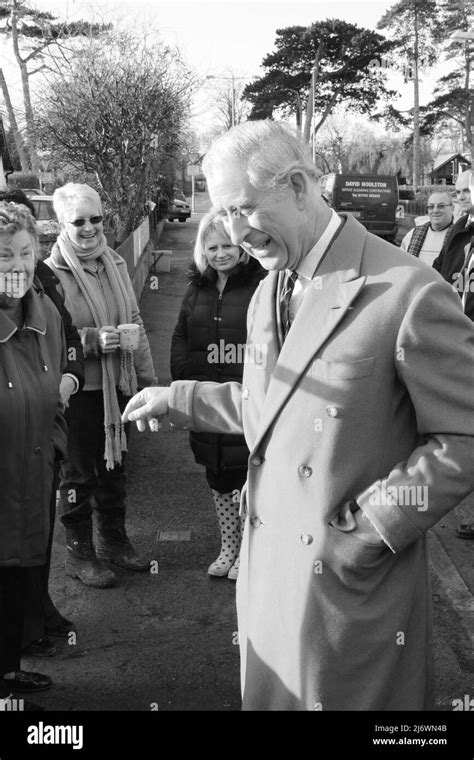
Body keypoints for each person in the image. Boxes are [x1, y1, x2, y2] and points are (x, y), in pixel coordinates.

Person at [122, 121, 474, 712]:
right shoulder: (272, 285)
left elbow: (464, 437)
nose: (235, 232)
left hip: (347, 594)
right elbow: (277, 408)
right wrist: (180, 399)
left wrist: (371, 530)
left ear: (298, 186)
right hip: (269, 579)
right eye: (224, 213)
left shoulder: (409, 290)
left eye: (244, 209)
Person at [44, 183, 157, 589]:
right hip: (79, 392)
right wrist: (94, 339)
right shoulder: (49, 274)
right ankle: (80, 553)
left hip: (120, 384)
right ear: (62, 224)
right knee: (77, 476)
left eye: (96, 219)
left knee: (115, 467)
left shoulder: (115, 263)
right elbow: (52, 335)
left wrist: (149, 384)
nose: (90, 228)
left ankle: (114, 542)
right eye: (79, 221)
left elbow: (136, 322)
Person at [0, 188, 85, 657]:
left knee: (21, 579)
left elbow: (54, 393)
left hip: (32, 475)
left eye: (25, 252)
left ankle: (10, 672)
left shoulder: (46, 313)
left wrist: (54, 446)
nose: (17, 264)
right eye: (4, 254)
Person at [170, 211, 266, 580]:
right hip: (205, 395)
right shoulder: (198, 288)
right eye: (212, 247)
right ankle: (228, 546)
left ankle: (248, 552)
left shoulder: (261, 283)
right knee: (217, 476)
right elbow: (180, 334)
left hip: (244, 397)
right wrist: (184, 374)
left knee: (247, 478)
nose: (220, 253)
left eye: (228, 245)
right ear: (202, 250)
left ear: (242, 247)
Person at [432, 169, 474, 541]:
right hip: (459, 342)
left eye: (464, 191)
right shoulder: (459, 231)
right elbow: (436, 275)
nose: (458, 196)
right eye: (457, 190)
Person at [400, 190, 454, 266]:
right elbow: (402, 263)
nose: (435, 211)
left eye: (441, 206)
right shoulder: (412, 235)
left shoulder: (459, 236)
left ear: (452, 208)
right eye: (431, 207)